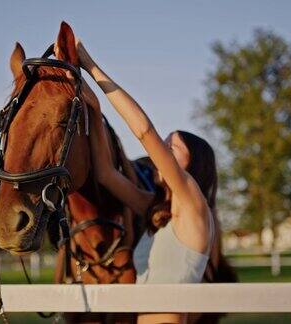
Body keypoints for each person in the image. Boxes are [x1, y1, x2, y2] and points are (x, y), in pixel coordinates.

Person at [76, 40, 218, 324]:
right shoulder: (160, 213)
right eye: (162, 145)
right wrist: (92, 108)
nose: (160, 152)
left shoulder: (192, 204)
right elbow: (105, 174)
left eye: (171, 148)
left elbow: (144, 131)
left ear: (193, 165)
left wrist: (89, 65)